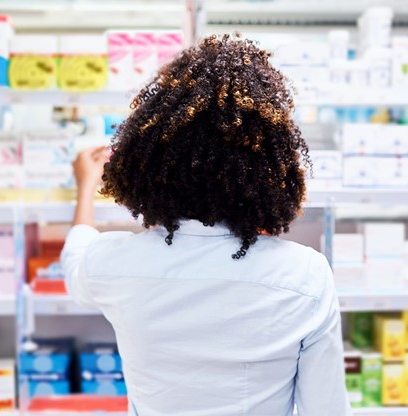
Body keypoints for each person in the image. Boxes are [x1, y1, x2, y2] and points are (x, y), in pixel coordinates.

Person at [61, 34, 351, 416]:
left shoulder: (115, 264)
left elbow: (75, 255)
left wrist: (86, 186)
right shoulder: (305, 276)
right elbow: (326, 409)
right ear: (268, 166)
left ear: (152, 159)